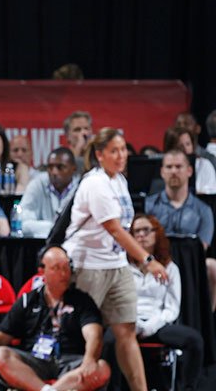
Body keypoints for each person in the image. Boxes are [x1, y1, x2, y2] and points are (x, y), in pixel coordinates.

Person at [63, 128, 169, 391]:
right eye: (114, 151)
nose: (121, 155)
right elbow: (115, 229)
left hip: (116, 265)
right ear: (99, 155)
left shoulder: (119, 180)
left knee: (126, 332)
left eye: (123, 149)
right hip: (88, 267)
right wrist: (147, 260)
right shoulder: (95, 183)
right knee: (84, 337)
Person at [0, 246, 111, 391]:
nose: (64, 274)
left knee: (102, 368)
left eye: (66, 268)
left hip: (70, 363)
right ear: (42, 272)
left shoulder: (82, 300)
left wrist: (90, 359)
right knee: (0, 354)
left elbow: (94, 335)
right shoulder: (28, 300)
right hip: (35, 361)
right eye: (56, 268)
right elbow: (0, 337)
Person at [117, 214, 203, 390]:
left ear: (157, 234)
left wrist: (150, 326)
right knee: (110, 341)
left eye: (146, 230)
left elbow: (172, 308)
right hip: (128, 322)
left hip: (157, 323)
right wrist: (135, 323)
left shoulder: (170, 268)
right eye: (136, 231)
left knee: (195, 340)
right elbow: (117, 302)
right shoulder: (121, 266)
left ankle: (186, 388)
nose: (141, 235)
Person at [145, 149, 216, 313]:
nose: (174, 171)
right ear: (162, 172)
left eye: (179, 166)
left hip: (191, 263)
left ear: (189, 171)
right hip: (157, 261)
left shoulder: (203, 210)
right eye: (169, 167)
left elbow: (202, 246)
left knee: (212, 266)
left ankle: (207, 319)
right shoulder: (149, 206)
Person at [19, 147, 79, 237]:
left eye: (60, 167)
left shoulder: (81, 188)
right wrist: (54, 228)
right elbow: (22, 221)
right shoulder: (38, 183)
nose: (54, 172)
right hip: (40, 245)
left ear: (73, 169)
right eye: (50, 167)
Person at [163, 126, 216, 194]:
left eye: (188, 144)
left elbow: (211, 193)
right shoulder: (165, 168)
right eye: (180, 146)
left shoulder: (204, 165)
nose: (185, 149)